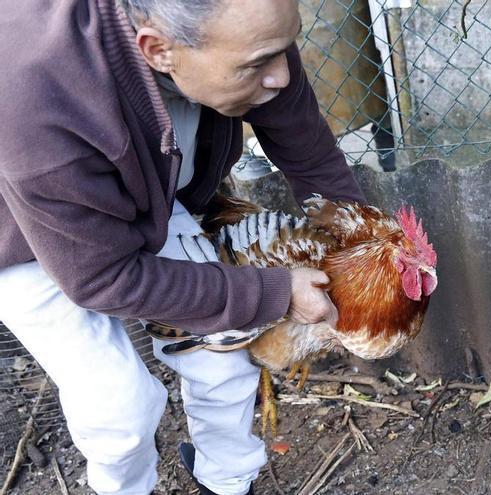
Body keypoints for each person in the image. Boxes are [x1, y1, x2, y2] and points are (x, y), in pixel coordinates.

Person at [0, 0, 366, 494]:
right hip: (22, 239)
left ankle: (226, 479)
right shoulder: (38, 96)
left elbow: (310, 152)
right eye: (257, 64)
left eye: (287, 47)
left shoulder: (247, 31)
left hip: (150, 191)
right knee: (120, 408)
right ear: (158, 50)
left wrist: (362, 243)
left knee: (227, 348)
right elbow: (103, 277)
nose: (281, 76)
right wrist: (278, 289)